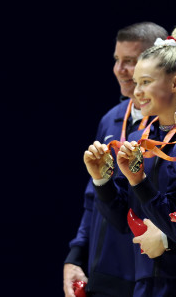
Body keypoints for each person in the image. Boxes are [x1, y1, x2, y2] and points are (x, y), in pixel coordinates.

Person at [84, 25, 176, 297]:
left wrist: (169, 241)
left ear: (175, 83)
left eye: (145, 82)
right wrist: (102, 180)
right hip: (144, 281)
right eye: (136, 82)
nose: (136, 92)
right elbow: (123, 221)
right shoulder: (138, 139)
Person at [63, 22, 167, 297]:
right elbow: (91, 198)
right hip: (103, 273)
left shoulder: (170, 124)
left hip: (152, 272)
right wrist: (76, 256)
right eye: (117, 60)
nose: (120, 70)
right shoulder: (111, 118)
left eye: (130, 61)